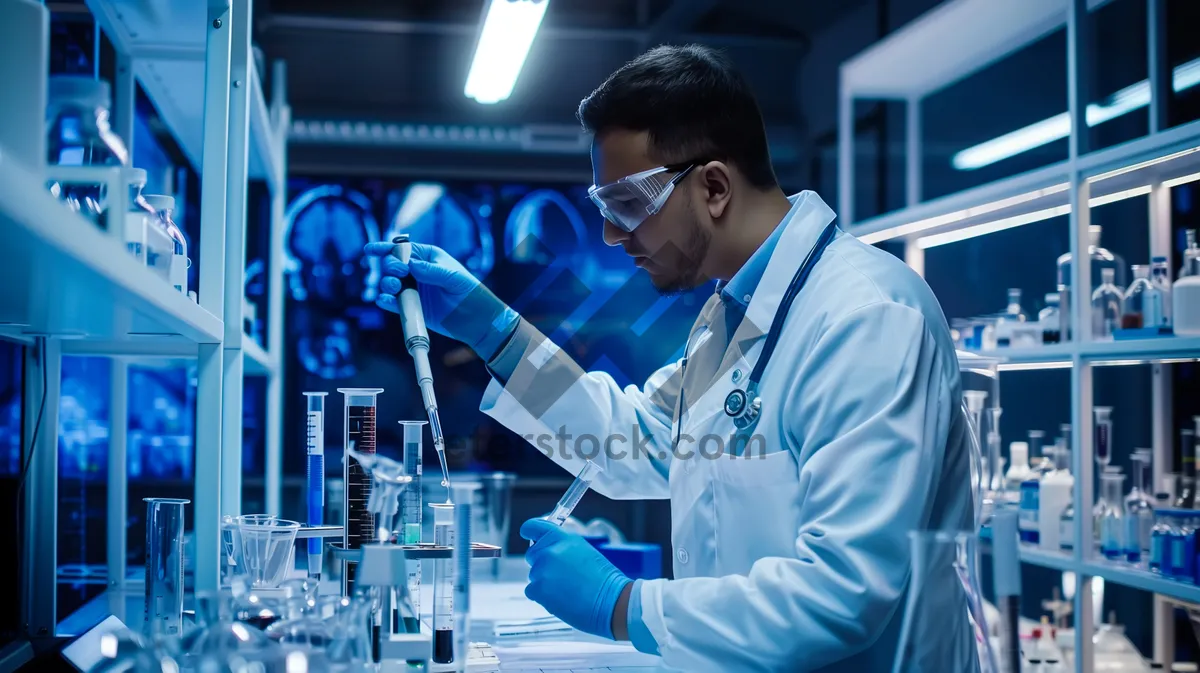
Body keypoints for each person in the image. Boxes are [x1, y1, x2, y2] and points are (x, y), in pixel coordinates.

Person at [365, 44, 974, 672]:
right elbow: (635, 442)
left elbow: (843, 593)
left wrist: (623, 605)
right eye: (604, 209)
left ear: (713, 186)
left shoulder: (865, 317)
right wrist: (489, 328)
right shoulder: (730, 312)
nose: (611, 235)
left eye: (627, 205)